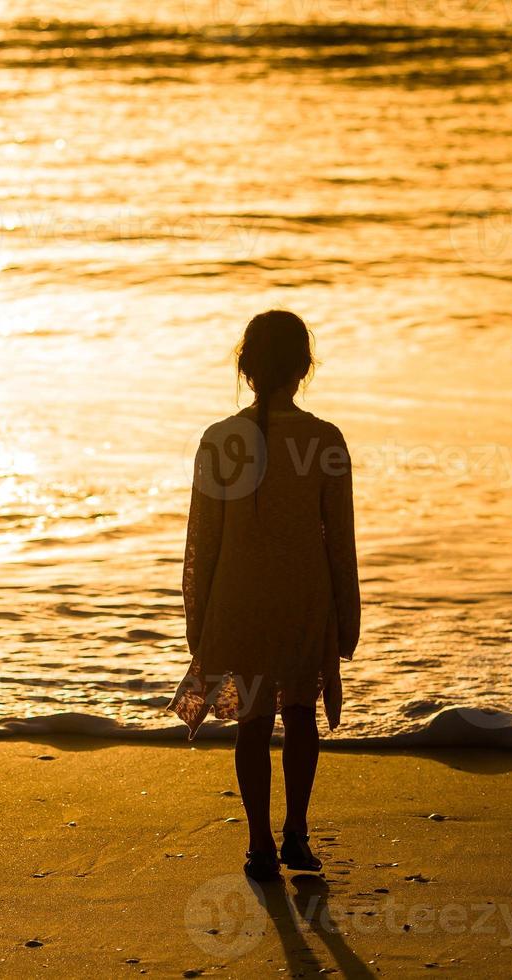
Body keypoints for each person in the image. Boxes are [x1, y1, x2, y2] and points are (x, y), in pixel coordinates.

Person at [171, 310, 360, 880]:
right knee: (300, 714)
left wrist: (199, 619)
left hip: (238, 598)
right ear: (304, 368)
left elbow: (201, 541)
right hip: (305, 598)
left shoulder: (218, 440)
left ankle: (259, 846)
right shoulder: (325, 440)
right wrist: (346, 617)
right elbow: (340, 543)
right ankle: (296, 836)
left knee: (253, 718)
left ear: (246, 367)